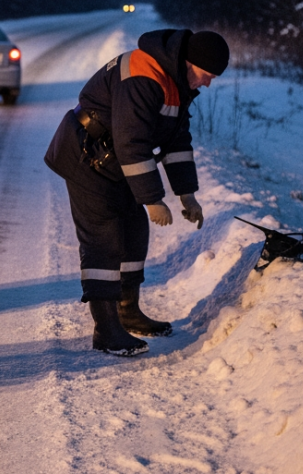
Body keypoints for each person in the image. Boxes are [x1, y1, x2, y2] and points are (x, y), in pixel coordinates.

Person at [44, 28, 229, 356]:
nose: (208, 83)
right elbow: (132, 140)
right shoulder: (144, 75)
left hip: (115, 161)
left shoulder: (176, 80)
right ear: (189, 63)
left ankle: (128, 313)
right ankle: (106, 329)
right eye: (206, 75)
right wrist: (153, 199)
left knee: (134, 229)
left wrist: (186, 194)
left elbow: (176, 141)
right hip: (85, 155)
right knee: (104, 237)